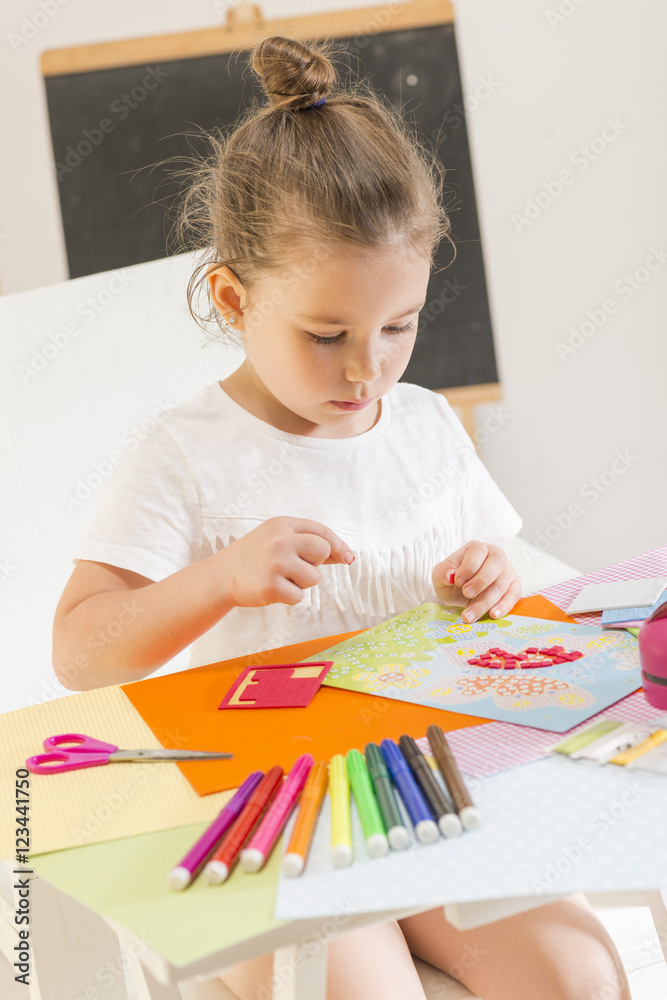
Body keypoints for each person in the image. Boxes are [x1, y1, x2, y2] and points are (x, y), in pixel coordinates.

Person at [52, 35, 630, 1000]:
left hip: (431, 783)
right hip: (269, 813)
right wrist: (218, 579)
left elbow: (503, 577)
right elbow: (80, 654)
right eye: (326, 336)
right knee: (361, 990)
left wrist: (487, 579)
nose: (368, 371)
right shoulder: (187, 453)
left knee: (577, 971)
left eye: (398, 327)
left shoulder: (423, 424)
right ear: (234, 298)